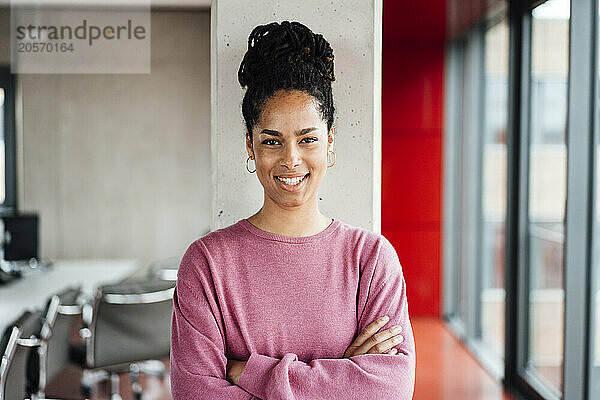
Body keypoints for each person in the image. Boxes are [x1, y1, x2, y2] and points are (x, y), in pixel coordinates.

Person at [170, 21, 415, 399]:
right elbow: (195, 394)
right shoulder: (207, 264)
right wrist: (342, 379)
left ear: (329, 142)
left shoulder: (371, 259)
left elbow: (390, 390)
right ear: (250, 146)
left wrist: (249, 372)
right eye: (272, 141)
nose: (291, 159)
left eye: (308, 139)